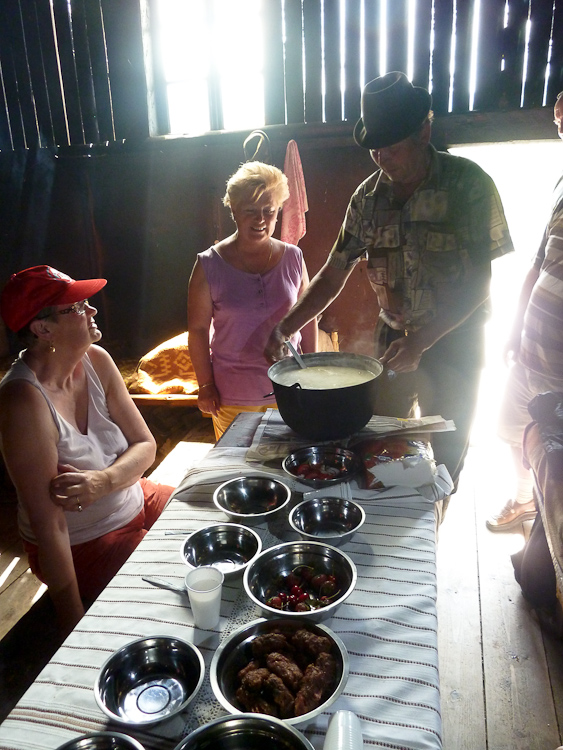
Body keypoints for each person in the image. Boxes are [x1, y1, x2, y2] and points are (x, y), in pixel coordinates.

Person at [264, 71, 514, 493]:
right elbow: (333, 273)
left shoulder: (468, 186)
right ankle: (389, 523)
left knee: (446, 453)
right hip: (393, 338)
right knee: (380, 446)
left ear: (423, 133)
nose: (382, 159)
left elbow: (479, 284)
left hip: (455, 340)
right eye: (375, 149)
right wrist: (285, 326)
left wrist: (423, 342)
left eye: (392, 148)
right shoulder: (367, 198)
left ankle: (433, 517)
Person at [0, 265, 174, 634]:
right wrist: (73, 625)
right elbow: (49, 526)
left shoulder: (96, 360)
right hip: (86, 541)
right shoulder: (23, 402)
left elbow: (146, 446)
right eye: (77, 307)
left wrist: (103, 482)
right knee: (178, 576)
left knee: (206, 517)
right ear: (43, 329)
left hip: (133, 496)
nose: (92, 309)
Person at [188, 160, 317, 440]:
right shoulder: (209, 264)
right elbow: (197, 330)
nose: (260, 220)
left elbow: (308, 316)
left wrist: (311, 371)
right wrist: (205, 385)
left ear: (278, 212)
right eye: (250, 211)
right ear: (234, 210)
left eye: (269, 211)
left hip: (289, 386)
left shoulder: (294, 258)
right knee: (238, 462)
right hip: (233, 394)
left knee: (288, 458)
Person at [486, 91, 563, 532]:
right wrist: (514, 330)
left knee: (553, 455)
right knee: (510, 427)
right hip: (533, 348)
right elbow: (537, 264)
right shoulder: (561, 185)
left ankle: (548, 523)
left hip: (561, 366)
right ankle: (523, 500)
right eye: (559, 125)